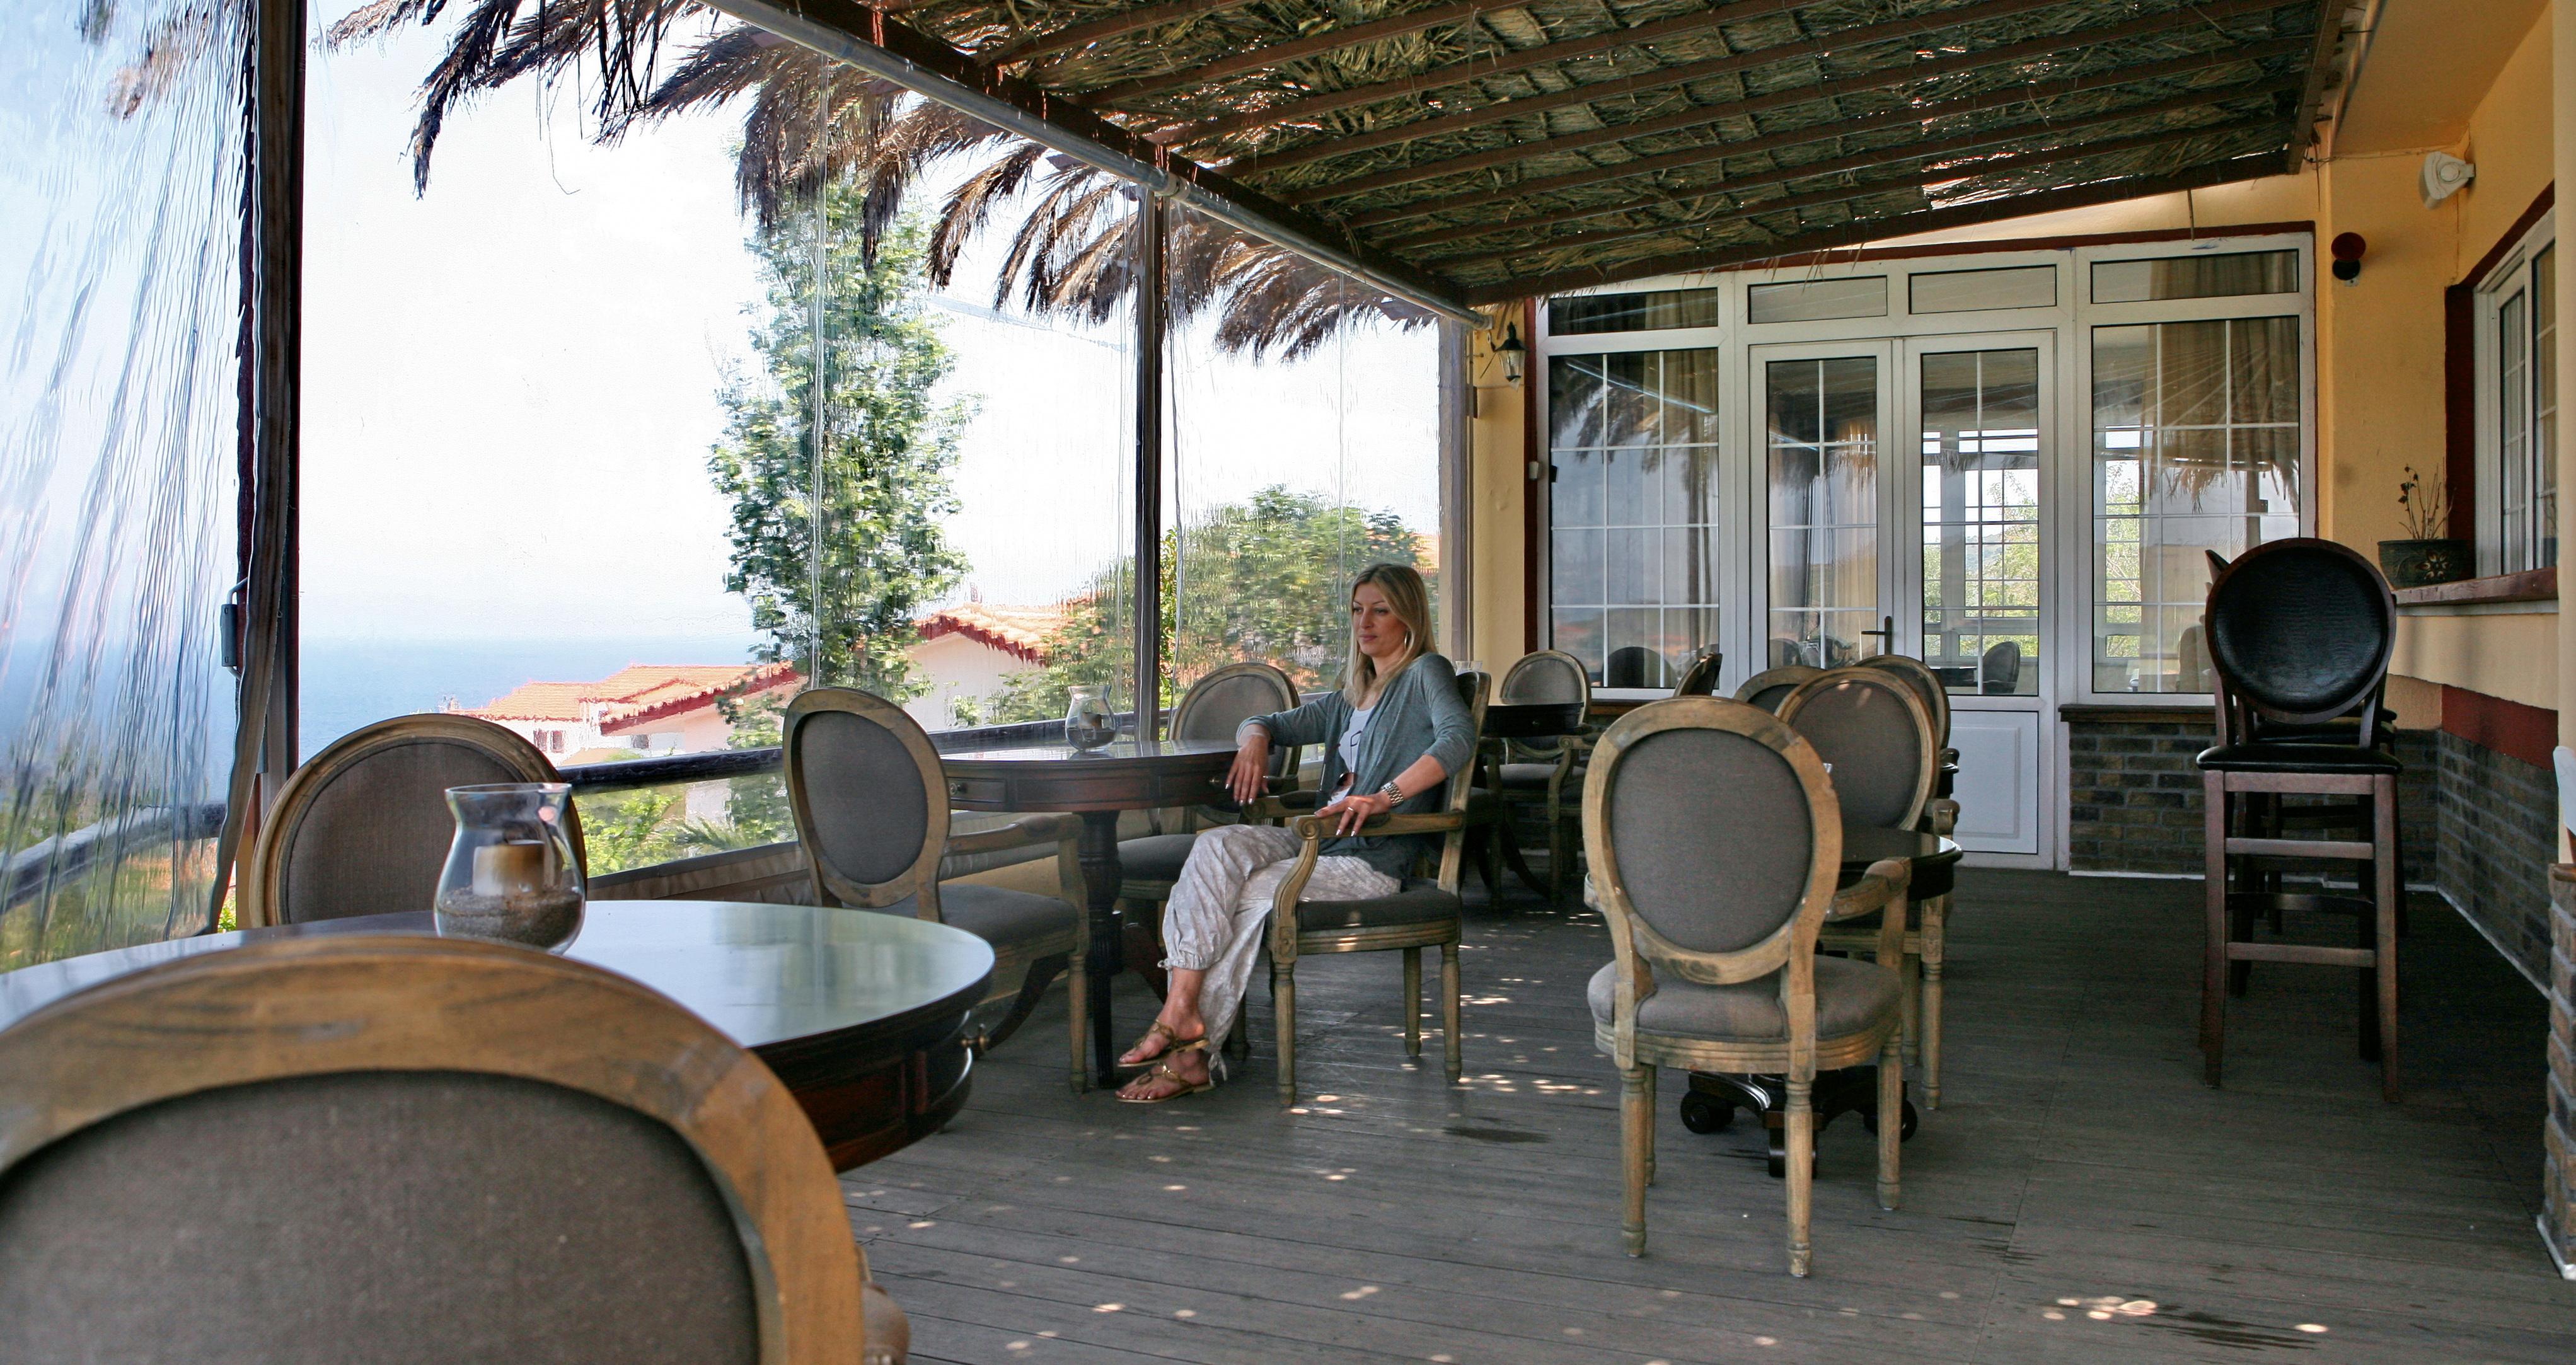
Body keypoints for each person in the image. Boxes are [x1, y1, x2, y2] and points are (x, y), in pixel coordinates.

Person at [1114, 562, 1475, 1103]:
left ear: (1409, 617)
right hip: (1318, 841)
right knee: (1216, 845)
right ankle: (1180, 1012)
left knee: (1256, 894)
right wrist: (1255, 737)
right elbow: (1271, 721)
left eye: (1380, 610)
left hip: (1369, 861)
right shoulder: (1352, 694)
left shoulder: (1426, 673)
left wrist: (1385, 797)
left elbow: (1457, 739)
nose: (1365, 622)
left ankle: (1189, 1053)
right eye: (1357, 610)